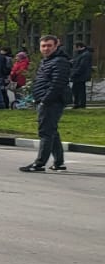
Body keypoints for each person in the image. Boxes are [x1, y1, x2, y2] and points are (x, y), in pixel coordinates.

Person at [21, 35, 71, 173]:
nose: (46, 48)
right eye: (43, 46)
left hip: (52, 101)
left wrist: (45, 100)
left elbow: (57, 84)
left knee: (45, 132)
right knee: (52, 131)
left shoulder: (60, 61)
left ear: (56, 46)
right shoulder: (47, 60)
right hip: (45, 100)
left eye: (49, 45)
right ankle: (59, 163)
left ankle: (39, 164)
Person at [70, 42, 92, 109]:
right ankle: (77, 104)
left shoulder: (85, 54)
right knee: (75, 90)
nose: (74, 49)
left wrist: (74, 73)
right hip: (78, 75)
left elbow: (82, 66)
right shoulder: (80, 54)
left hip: (81, 76)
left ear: (79, 47)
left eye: (75, 47)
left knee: (80, 91)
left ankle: (81, 104)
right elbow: (76, 63)